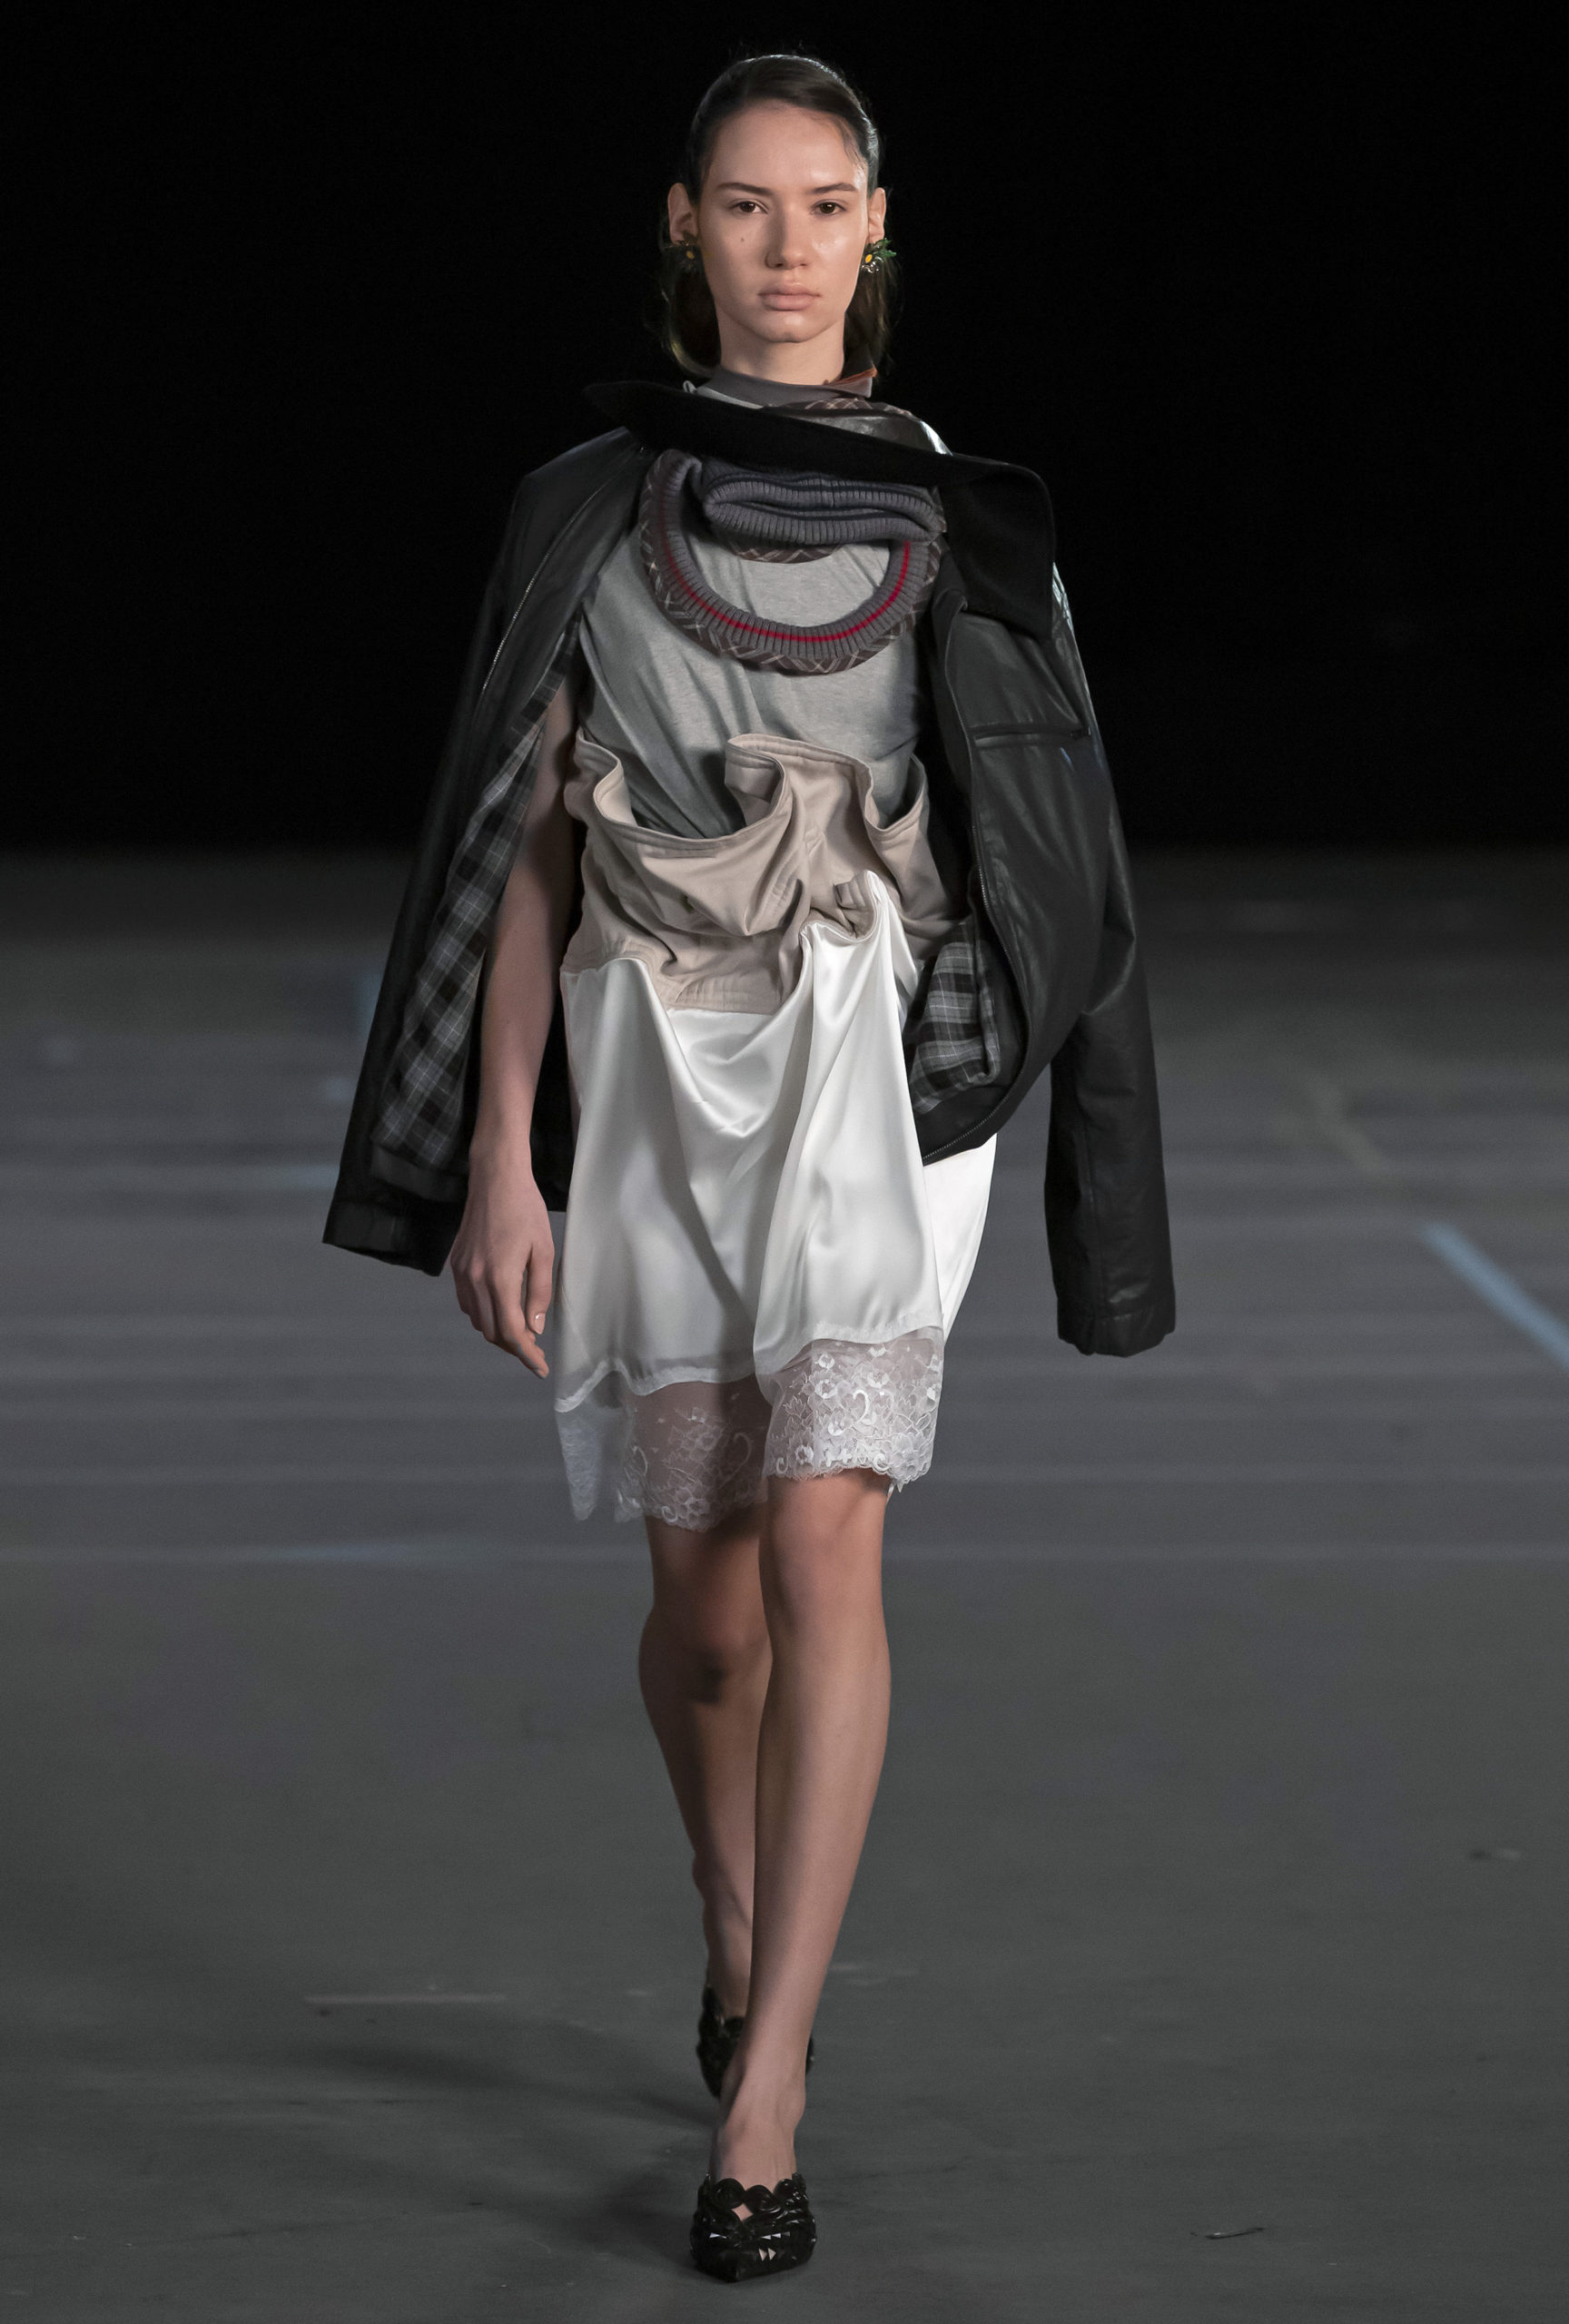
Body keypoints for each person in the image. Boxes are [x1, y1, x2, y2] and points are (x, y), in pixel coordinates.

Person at [325, 51, 1174, 2283]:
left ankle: (770, 2080)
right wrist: (496, 1159)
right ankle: (727, 1918)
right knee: (704, 1619)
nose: (787, 246)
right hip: (650, 1055)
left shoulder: (970, 518)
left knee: (824, 1539)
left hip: (883, 1071)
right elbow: (524, 851)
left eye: (825, 204)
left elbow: (1062, 836)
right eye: (744, 202)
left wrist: (1014, 1044)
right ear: (683, 227)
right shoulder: (583, 511)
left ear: (877, 230)